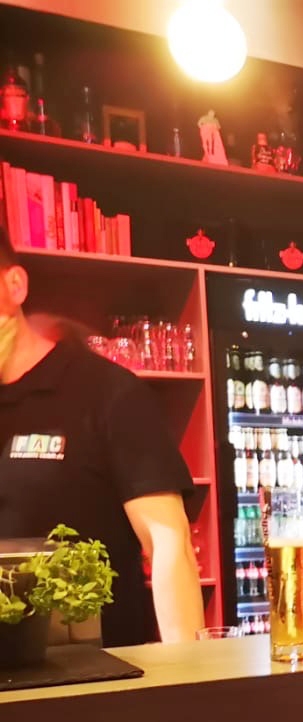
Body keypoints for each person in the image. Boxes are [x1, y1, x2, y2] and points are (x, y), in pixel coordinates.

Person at [0, 230, 203, 645]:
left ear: (15, 285)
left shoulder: (106, 391)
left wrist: (189, 672)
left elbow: (168, 541)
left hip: (99, 670)